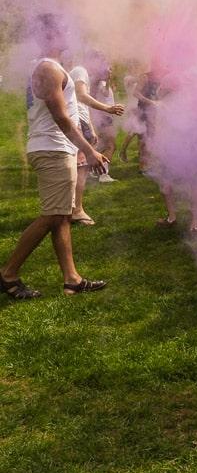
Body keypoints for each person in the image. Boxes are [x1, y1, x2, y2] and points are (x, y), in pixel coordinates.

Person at [1, 16, 109, 300]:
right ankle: (8, 273)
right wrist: (88, 149)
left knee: (61, 216)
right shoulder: (48, 68)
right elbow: (60, 116)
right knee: (53, 215)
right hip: (54, 148)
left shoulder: (49, 66)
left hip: (55, 148)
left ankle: (71, 279)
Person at [68, 57, 125, 225]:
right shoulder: (80, 71)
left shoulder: (82, 74)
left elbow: (81, 104)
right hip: (79, 122)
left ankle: (71, 208)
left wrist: (91, 128)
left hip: (81, 122)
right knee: (81, 168)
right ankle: (77, 210)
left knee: (78, 168)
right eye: (105, 66)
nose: (108, 71)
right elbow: (81, 96)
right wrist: (108, 108)